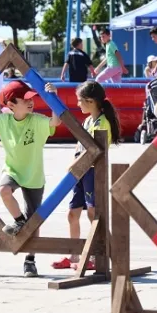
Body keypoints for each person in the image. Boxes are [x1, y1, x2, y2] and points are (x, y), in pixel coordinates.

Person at [0, 80, 62, 277]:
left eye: (32, 98)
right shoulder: (4, 121)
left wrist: (53, 97)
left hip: (34, 175)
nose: (31, 102)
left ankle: (30, 260)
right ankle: (19, 221)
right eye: (26, 100)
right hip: (12, 170)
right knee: (3, 191)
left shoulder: (37, 120)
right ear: (11, 105)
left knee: (35, 221)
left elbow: (56, 121)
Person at [52, 81, 122, 270]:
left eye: (80, 101)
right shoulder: (89, 120)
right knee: (72, 214)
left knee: (94, 215)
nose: (78, 104)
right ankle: (74, 256)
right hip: (81, 173)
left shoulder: (102, 123)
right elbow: (80, 146)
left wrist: (75, 165)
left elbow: (95, 151)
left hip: (92, 173)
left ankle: (101, 255)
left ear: (91, 101)